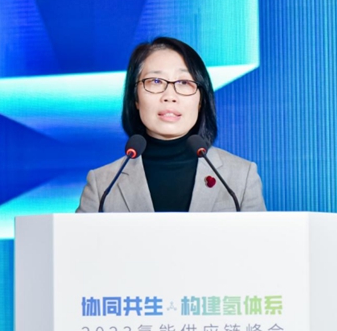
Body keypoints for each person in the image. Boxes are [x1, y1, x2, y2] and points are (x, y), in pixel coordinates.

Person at [76, 37, 266, 212]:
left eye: (183, 82)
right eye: (155, 81)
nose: (169, 96)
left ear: (201, 100)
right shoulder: (102, 185)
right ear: (135, 98)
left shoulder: (241, 178)